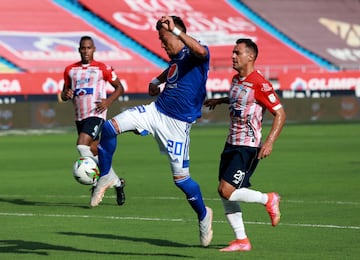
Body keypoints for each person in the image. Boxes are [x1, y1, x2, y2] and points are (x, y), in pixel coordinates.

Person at [91, 16, 213, 247]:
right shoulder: (178, 59)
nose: (162, 44)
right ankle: (106, 176)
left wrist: (175, 31)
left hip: (177, 126)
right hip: (155, 112)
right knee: (108, 127)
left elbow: (201, 52)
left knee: (181, 180)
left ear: (177, 34)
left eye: (164, 38)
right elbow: (173, 70)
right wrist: (157, 80)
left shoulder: (197, 52)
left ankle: (204, 215)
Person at [204, 38, 286, 252]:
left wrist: (269, 142)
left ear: (251, 56)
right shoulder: (236, 80)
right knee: (224, 192)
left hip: (248, 146)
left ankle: (268, 198)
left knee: (227, 190)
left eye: (237, 53)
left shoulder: (261, 84)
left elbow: (280, 113)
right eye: (233, 52)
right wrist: (220, 101)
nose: (233, 56)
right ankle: (241, 240)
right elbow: (238, 100)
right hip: (230, 142)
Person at [60, 35, 126, 206]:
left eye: (89, 48)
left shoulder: (102, 68)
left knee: (82, 145)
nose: (86, 51)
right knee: (95, 153)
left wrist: (108, 102)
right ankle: (117, 182)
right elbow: (64, 92)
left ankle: (99, 182)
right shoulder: (70, 70)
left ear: (94, 49)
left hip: (96, 114)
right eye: (83, 48)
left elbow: (120, 87)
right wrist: (65, 95)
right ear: (79, 49)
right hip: (80, 117)